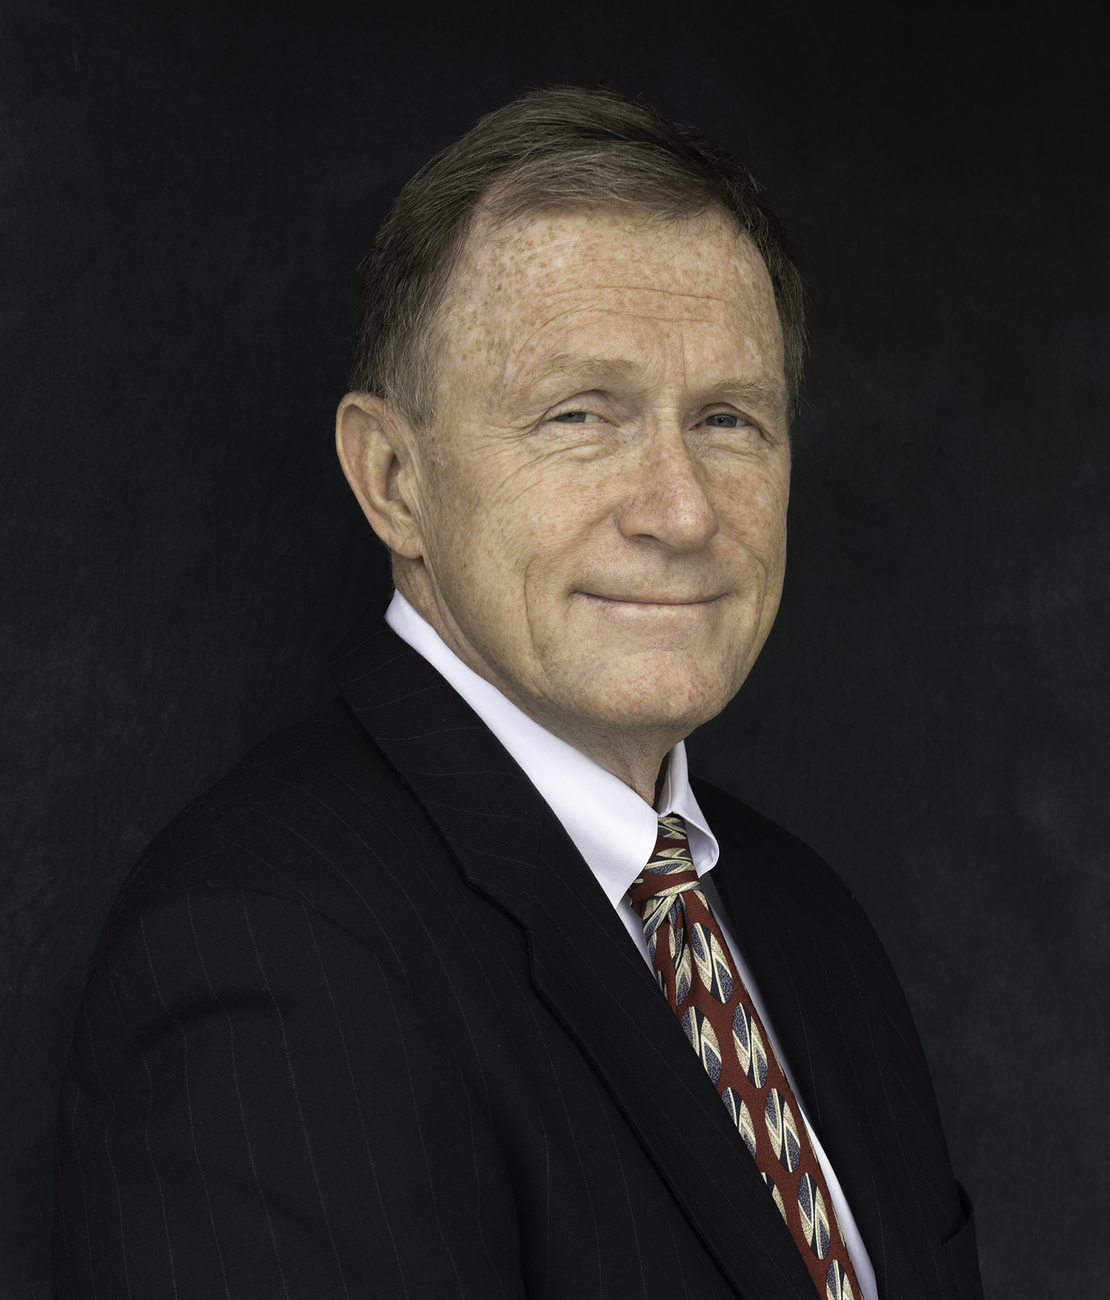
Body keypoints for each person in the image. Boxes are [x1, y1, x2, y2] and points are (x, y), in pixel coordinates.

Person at [53, 86, 983, 1300]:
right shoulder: (265, 952)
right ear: (393, 478)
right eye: (580, 414)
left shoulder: (807, 923)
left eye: (727, 419)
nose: (682, 509)